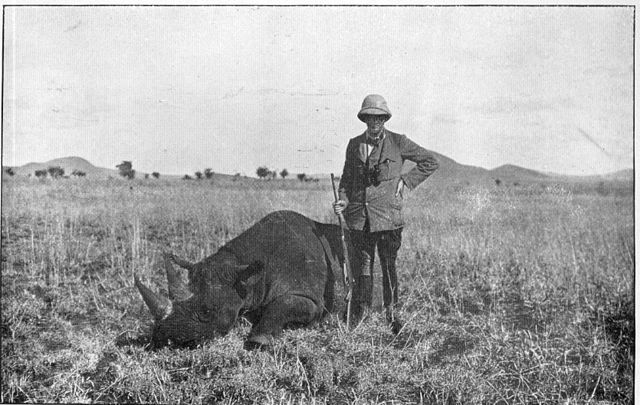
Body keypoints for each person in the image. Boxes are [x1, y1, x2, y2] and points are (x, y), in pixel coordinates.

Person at [333, 94, 439, 331]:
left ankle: (392, 314)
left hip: (389, 219)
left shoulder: (398, 142)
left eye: (379, 118)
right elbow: (346, 180)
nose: (374, 123)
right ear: (364, 119)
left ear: (385, 119)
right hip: (360, 219)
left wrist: (407, 180)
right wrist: (343, 201)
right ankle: (361, 312)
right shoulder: (354, 144)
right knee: (363, 265)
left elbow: (430, 162)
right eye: (370, 118)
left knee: (388, 265)